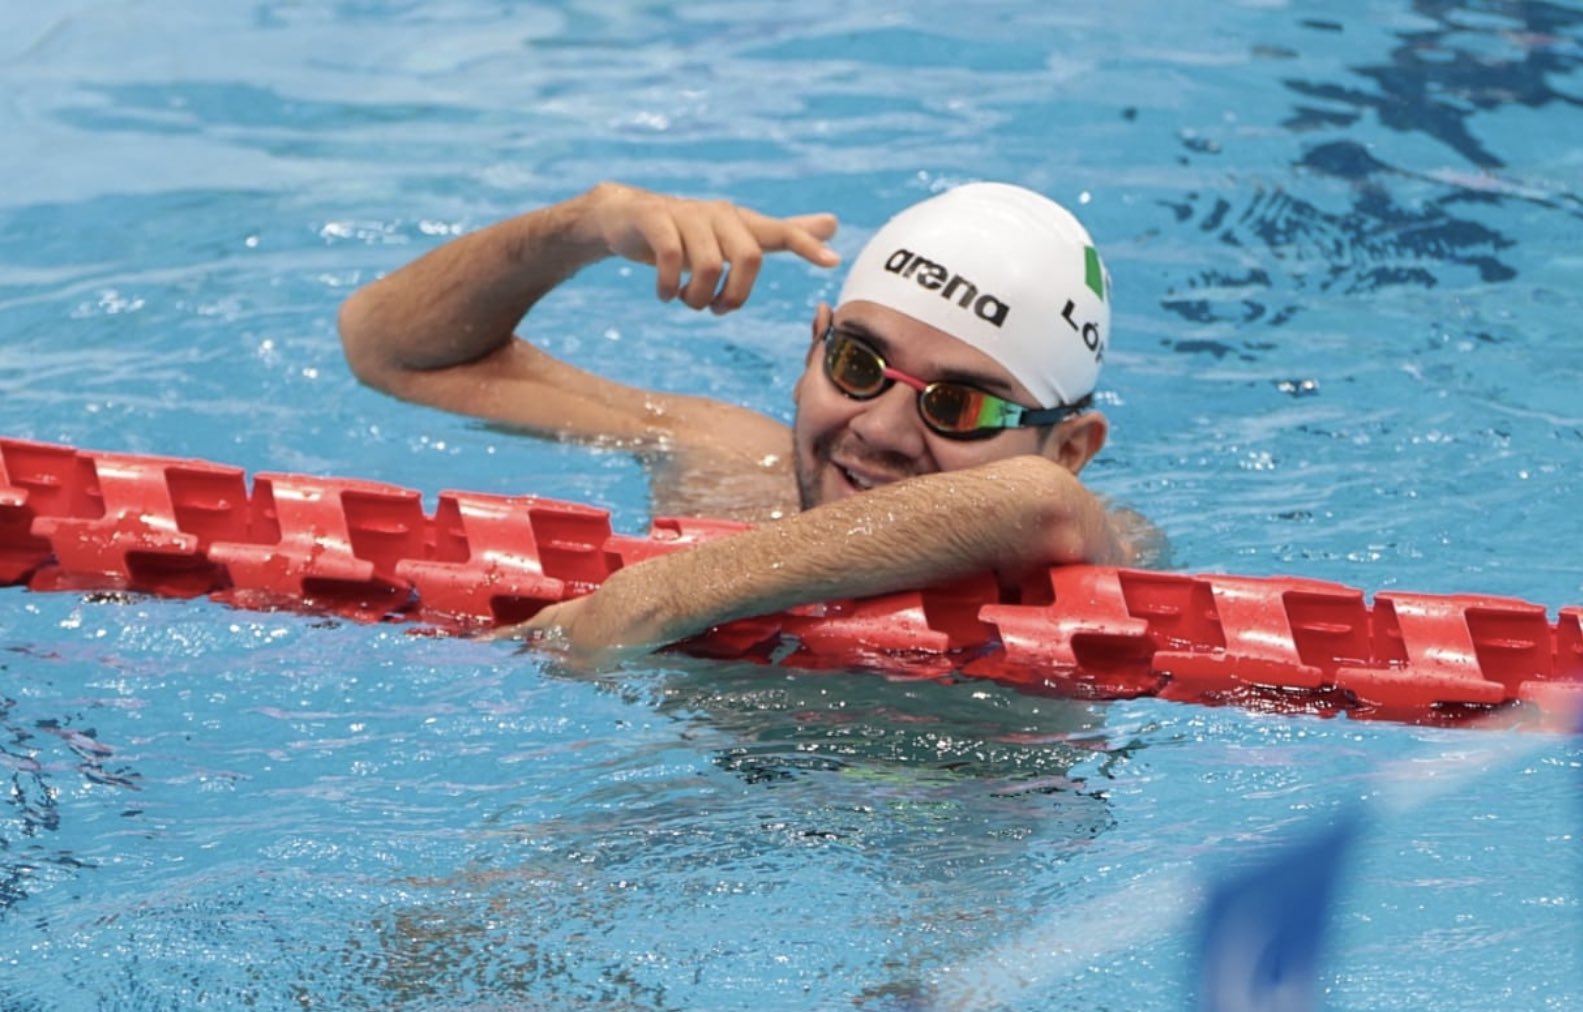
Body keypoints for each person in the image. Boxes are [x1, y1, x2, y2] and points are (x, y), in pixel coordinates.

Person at [338, 180, 1154, 664]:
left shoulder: (1099, 559)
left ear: (1071, 446)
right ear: (812, 349)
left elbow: (1032, 503)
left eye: (958, 406)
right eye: (858, 366)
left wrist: (669, 589)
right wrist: (588, 223)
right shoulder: (728, 467)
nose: (879, 429)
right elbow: (393, 351)